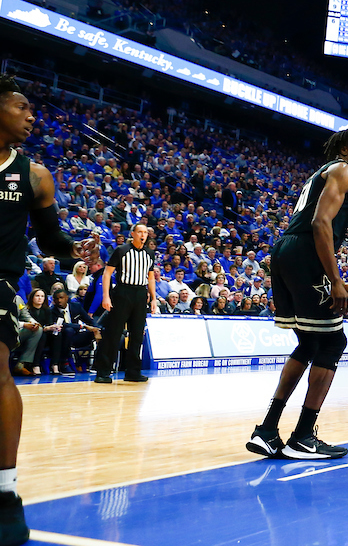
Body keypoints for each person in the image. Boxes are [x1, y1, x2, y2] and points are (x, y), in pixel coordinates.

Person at [0, 74, 101, 544]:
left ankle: (4, 494)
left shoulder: (36, 176)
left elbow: (50, 238)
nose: (31, 116)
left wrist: (76, 256)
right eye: (22, 107)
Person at [246, 130, 348, 461]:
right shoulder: (344, 170)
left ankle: (268, 431)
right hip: (304, 251)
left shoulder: (322, 172)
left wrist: (336, 279)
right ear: (344, 148)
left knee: (310, 343)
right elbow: (319, 223)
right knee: (333, 342)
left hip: (286, 251)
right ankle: (302, 437)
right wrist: (335, 280)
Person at [93, 223, 156, 384]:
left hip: (141, 294)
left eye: (145, 232)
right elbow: (107, 274)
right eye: (140, 232)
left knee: (137, 335)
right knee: (113, 333)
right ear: (133, 234)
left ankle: (133, 372)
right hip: (122, 292)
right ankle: (103, 371)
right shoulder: (121, 250)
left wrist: (153, 298)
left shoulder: (150, 253)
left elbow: (150, 277)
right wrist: (106, 297)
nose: (143, 234)